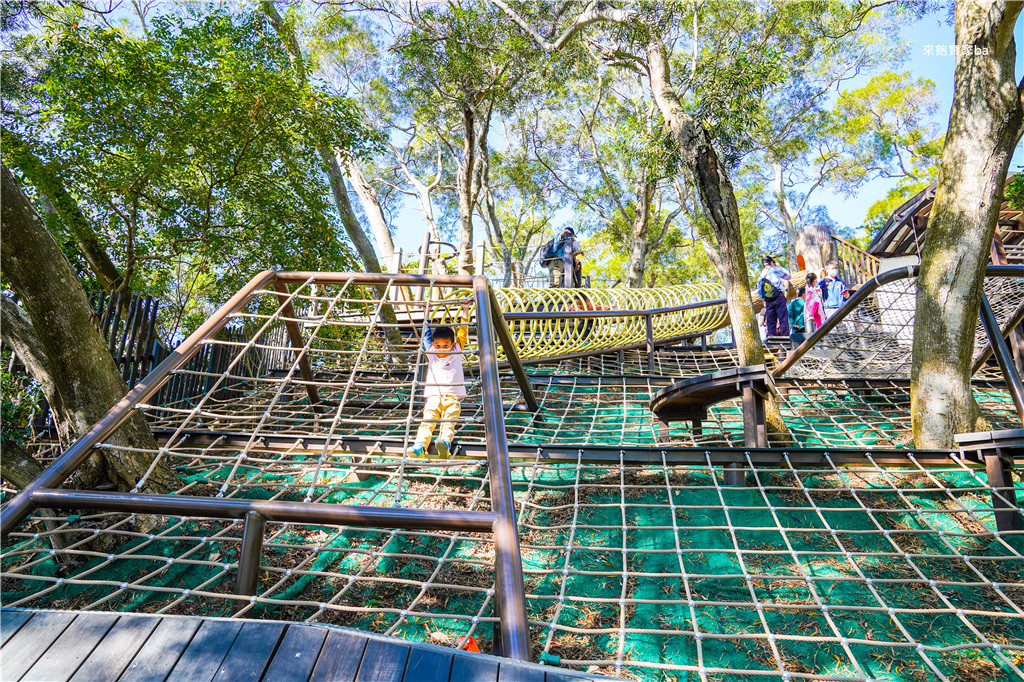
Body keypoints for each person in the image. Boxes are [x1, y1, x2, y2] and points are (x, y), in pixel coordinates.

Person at [408, 301, 471, 458]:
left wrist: (465, 310)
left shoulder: (456, 350)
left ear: (452, 344)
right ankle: (420, 447)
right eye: (438, 345)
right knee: (428, 421)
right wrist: (427, 313)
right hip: (434, 397)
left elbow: (463, 331)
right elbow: (427, 333)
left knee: (449, 422)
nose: (441, 348)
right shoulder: (431, 353)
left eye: (445, 345)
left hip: (452, 397)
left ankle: (444, 444)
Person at [756, 255, 791, 337]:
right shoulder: (776, 270)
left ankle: (772, 337)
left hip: (768, 299)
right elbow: (788, 276)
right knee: (783, 317)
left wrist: (765, 298)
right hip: (779, 296)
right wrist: (779, 266)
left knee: (771, 319)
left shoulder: (760, 276)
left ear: (763, 265)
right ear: (772, 263)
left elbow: (760, 292)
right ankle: (785, 336)